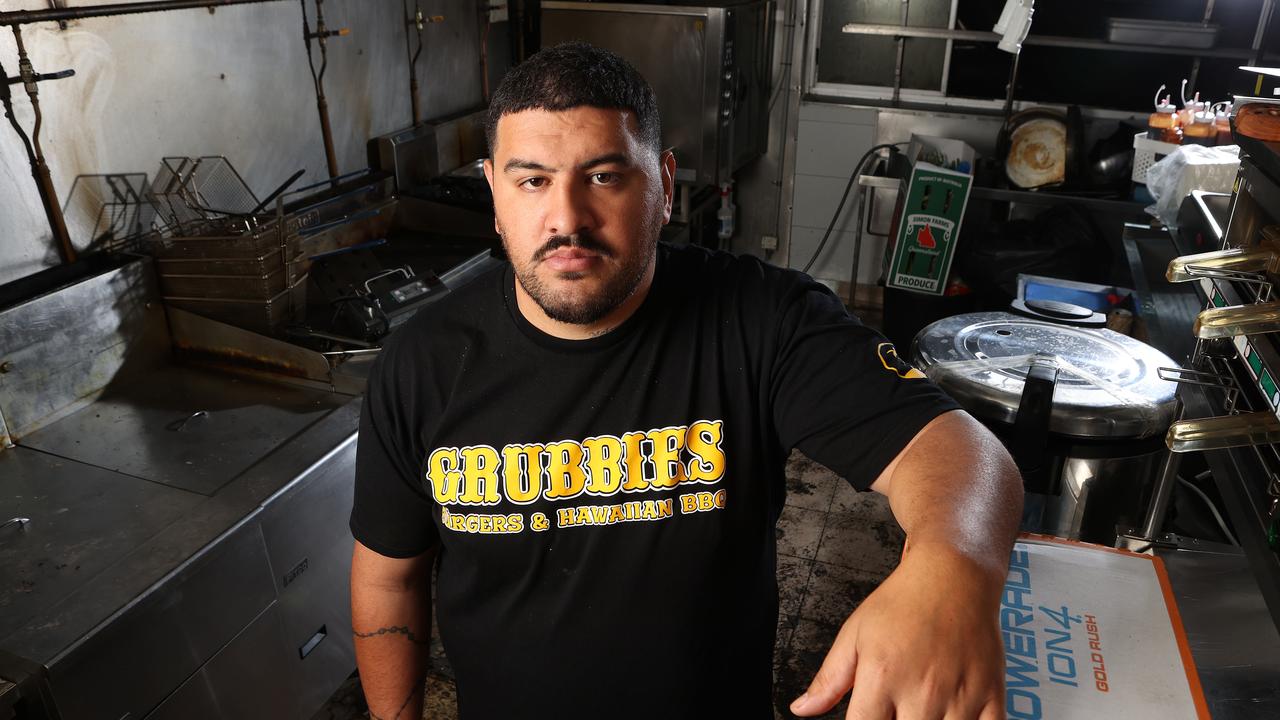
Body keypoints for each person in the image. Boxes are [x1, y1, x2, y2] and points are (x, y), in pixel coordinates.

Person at [350, 42, 1023, 720]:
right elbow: (388, 579)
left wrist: (951, 566)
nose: (567, 219)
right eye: (532, 181)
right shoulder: (421, 364)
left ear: (665, 184)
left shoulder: (762, 320)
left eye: (606, 176)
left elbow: (958, 451)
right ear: (493, 190)